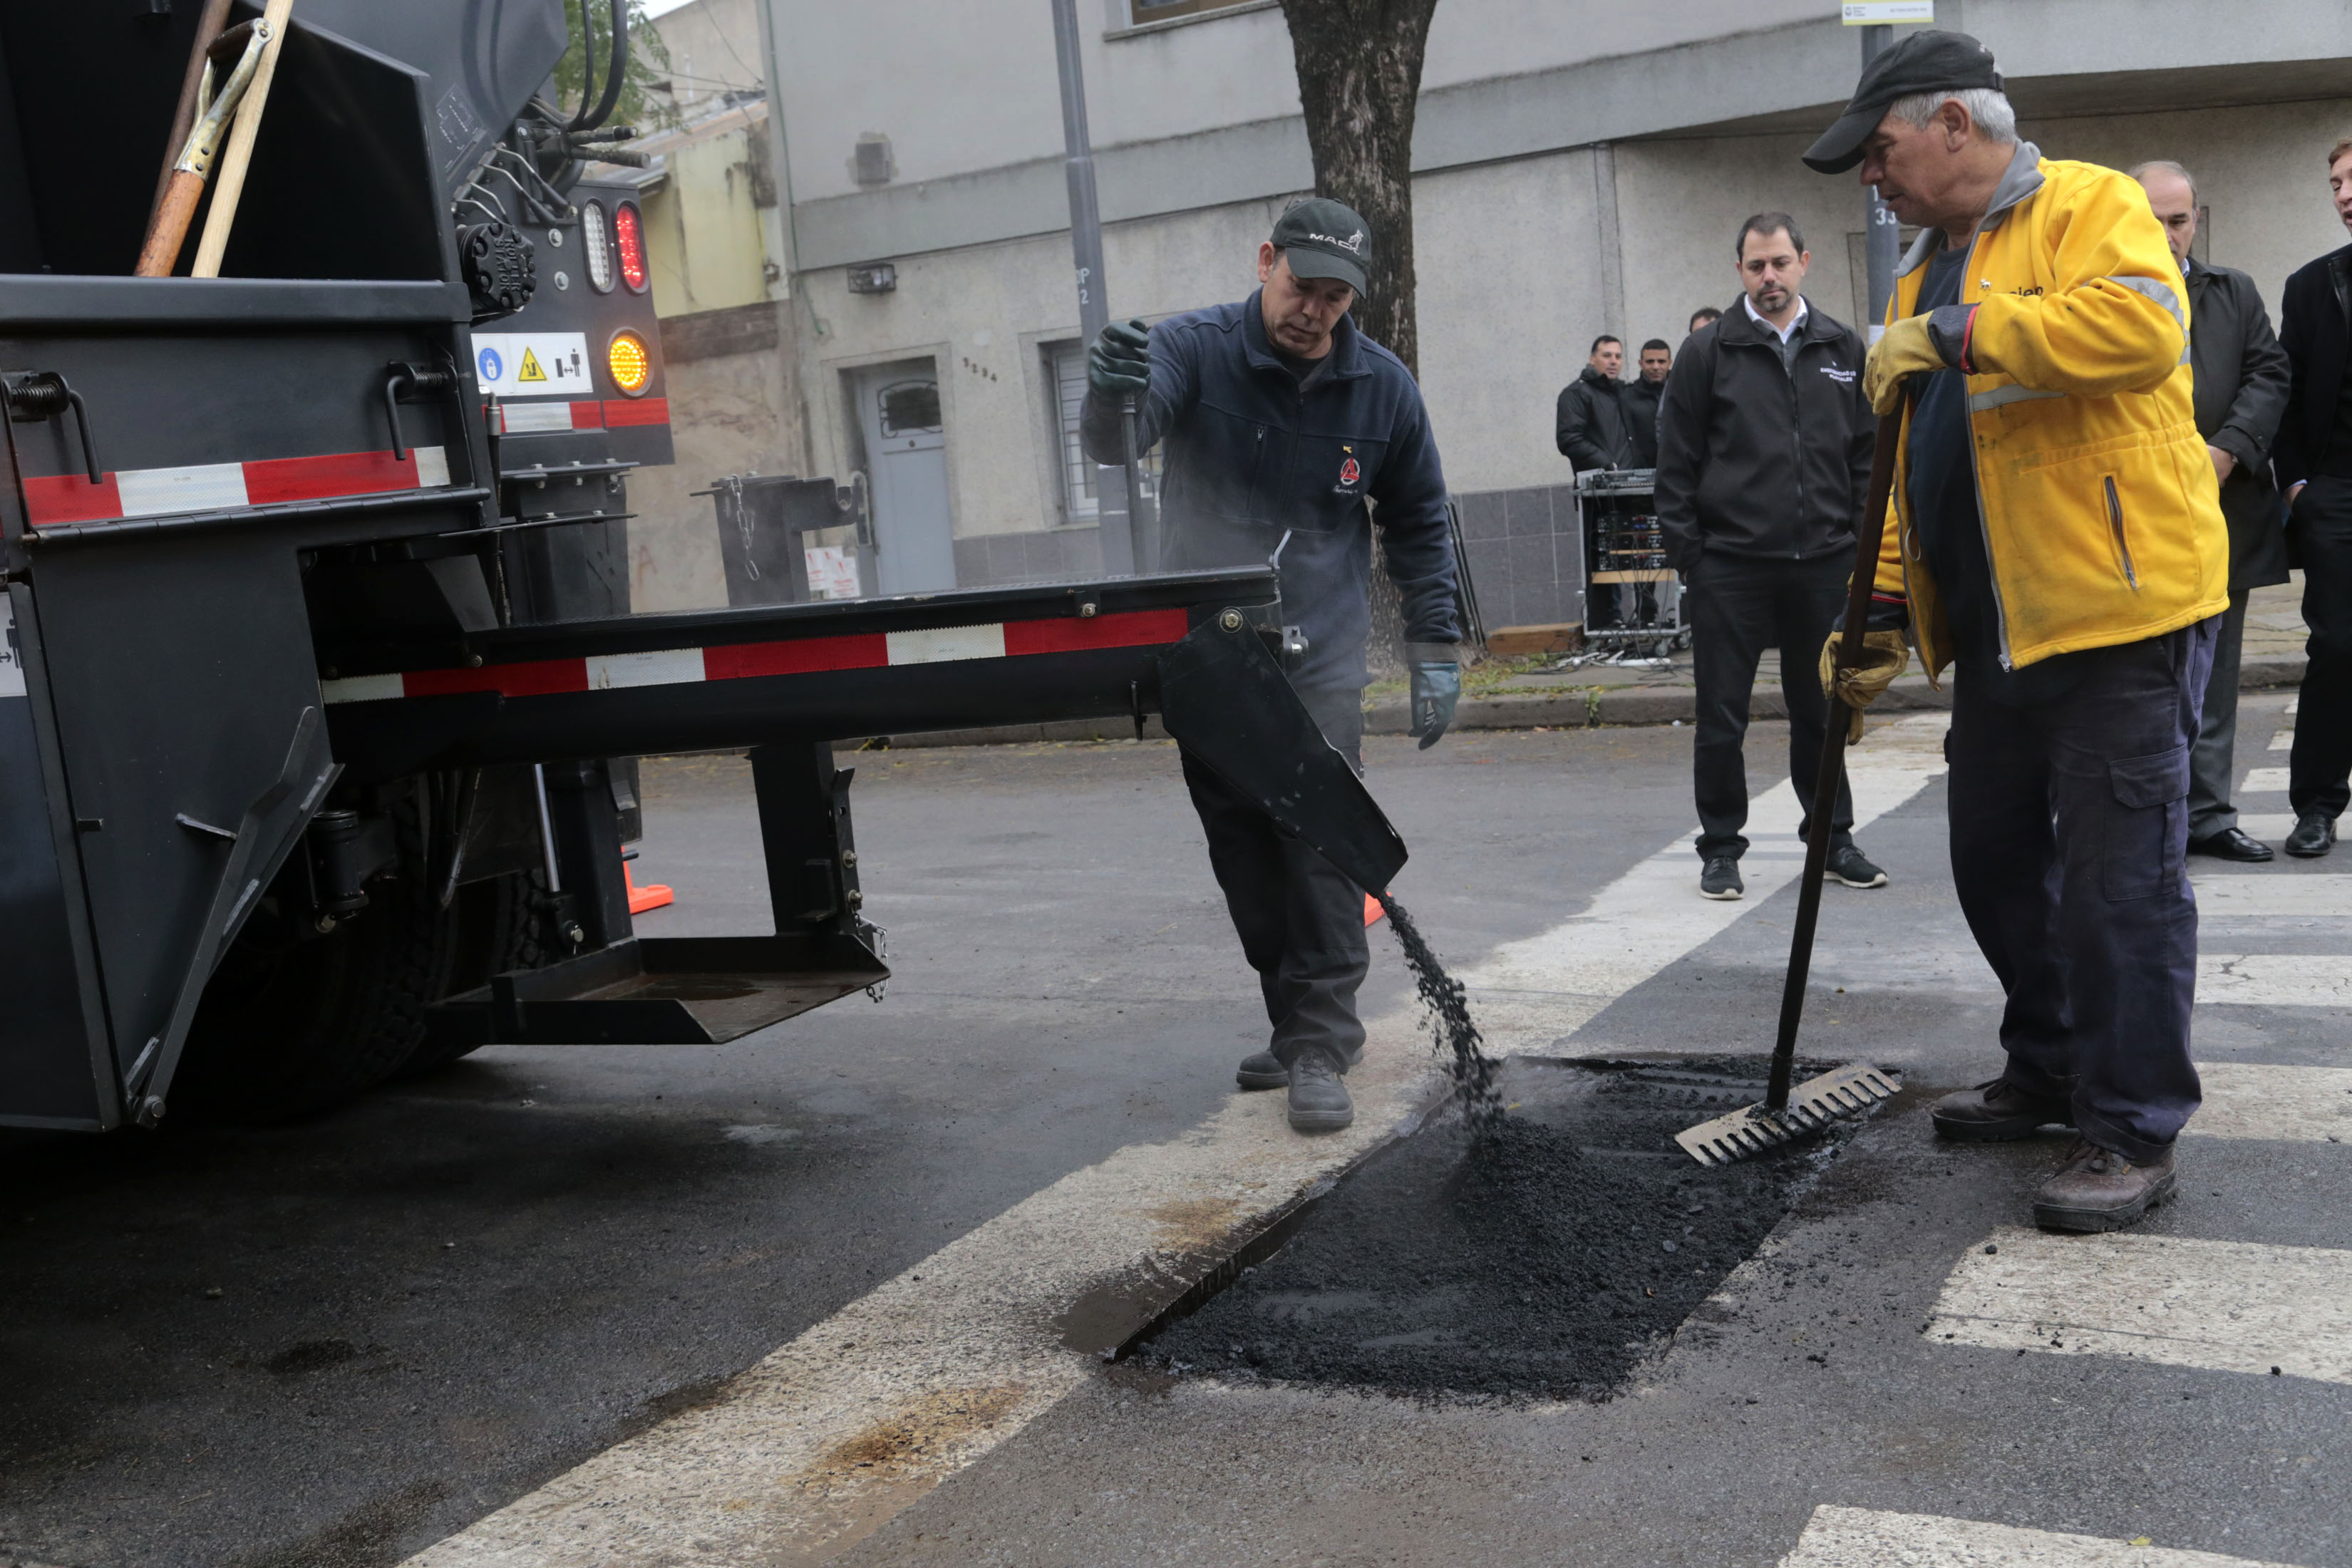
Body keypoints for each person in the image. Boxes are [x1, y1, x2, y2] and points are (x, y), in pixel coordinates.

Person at [1808, 31, 2229, 1230]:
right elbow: (1909, 469)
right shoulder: (1916, 273)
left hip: (2118, 614)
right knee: (1995, 862)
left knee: (2120, 889)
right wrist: (1878, 607)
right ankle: (2049, 1066)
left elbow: (2143, 333)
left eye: (1880, 151)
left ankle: (2132, 1125)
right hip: (1997, 631)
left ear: (1953, 123)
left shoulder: (2089, 204)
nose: (1870, 180)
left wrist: (1955, 335)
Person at [1082, 197, 1460, 1135]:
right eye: (1302, 288)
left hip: (1319, 659)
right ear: (1265, 262)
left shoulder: (1382, 389)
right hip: (1210, 659)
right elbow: (1116, 443)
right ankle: (1299, 1025)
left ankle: (1323, 1042)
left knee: (1321, 853)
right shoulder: (1194, 352)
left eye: (1335, 299)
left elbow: (1419, 520)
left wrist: (1435, 644)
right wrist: (1108, 394)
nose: (1314, 313)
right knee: (1246, 858)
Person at [1655, 212, 1884, 902]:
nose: (1770, 278)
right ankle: (1721, 848)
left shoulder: (1841, 346)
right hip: (1731, 566)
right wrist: (1692, 557)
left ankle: (1832, 837)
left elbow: (1866, 457)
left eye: (1780, 263)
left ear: (1804, 262)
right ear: (1740, 272)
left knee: (1822, 709)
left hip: (1821, 564)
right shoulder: (1708, 352)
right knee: (1722, 715)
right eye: (1756, 266)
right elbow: (1675, 463)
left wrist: (1856, 546)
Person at [2131, 160, 2291, 862]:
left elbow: (2269, 372)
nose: (2167, 233)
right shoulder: (2097, 296)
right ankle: (2145, 820)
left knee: (2215, 672)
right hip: (2132, 519)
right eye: (2152, 219)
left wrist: (2228, 451)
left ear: (2197, 219)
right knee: (2135, 680)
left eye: (2179, 219)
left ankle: (2208, 815)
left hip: (2223, 512)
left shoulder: (2234, 292)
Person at [2269, 138, 2352, 860]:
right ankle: (2318, 805)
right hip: (2338, 496)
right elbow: (2285, 392)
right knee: (2337, 646)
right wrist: (2298, 487)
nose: (2344, 192)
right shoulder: (2312, 284)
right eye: (2335, 182)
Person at [1557, 335, 1637, 473]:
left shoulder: (1623, 392)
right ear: (1592, 359)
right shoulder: (1576, 393)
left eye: (1618, 357)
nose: (1613, 362)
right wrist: (1607, 465)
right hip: (1599, 486)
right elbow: (1570, 439)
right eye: (1607, 356)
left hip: (1630, 483)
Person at [1624, 339, 1672, 468]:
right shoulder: (1627, 396)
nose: (1656, 367)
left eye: (1661, 361)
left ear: (1670, 363)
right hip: (1639, 473)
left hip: (1676, 470)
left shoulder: (1681, 393)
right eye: (1650, 362)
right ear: (1641, 363)